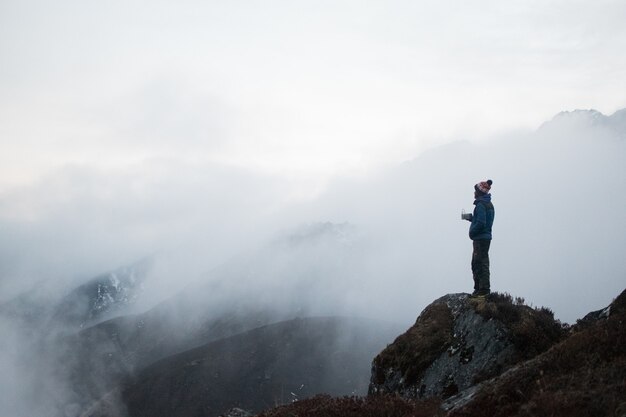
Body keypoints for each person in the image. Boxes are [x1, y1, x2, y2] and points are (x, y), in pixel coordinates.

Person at [463, 180, 495, 298]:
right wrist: (472, 218)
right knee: (483, 262)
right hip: (486, 237)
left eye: (475, 191)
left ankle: (481, 290)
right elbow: (484, 221)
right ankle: (482, 289)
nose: (474, 193)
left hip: (480, 239)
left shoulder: (481, 205)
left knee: (478, 263)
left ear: (479, 192)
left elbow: (481, 223)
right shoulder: (489, 204)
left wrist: (472, 232)